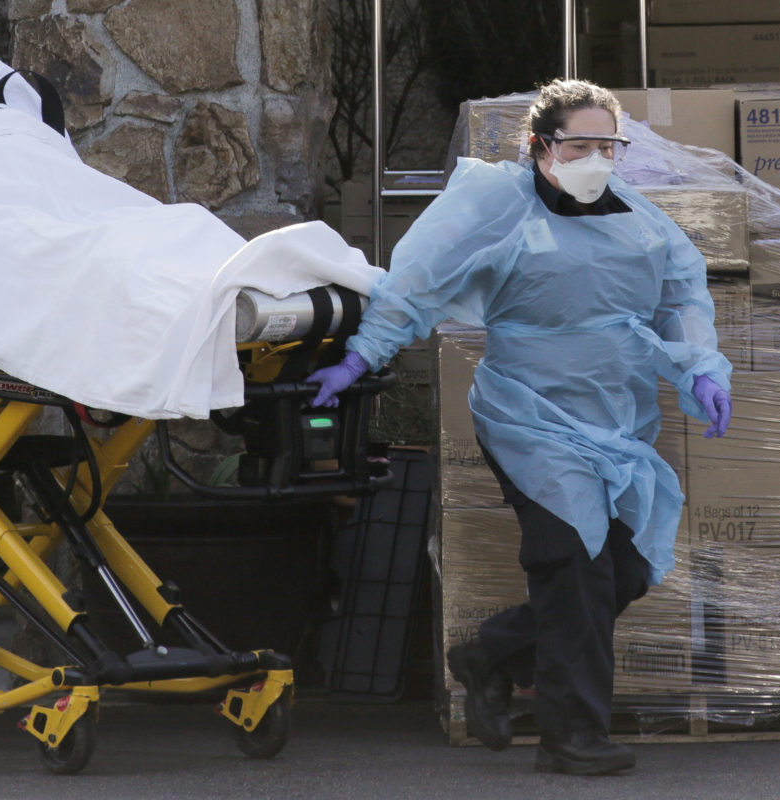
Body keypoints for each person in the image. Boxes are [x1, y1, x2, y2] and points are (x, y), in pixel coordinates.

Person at [307, 78, 733, 775]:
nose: (596, 159)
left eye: (609, 146)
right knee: (573, 564)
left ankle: (491, 654)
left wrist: (703, 369)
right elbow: (415, 284)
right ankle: (574, 738)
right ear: (540, 146)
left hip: (614, 420)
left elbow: (682, 293)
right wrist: (359, 359)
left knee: (624, 568)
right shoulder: (495, 206)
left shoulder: (640, 219)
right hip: (527, 415)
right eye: (580, 145)